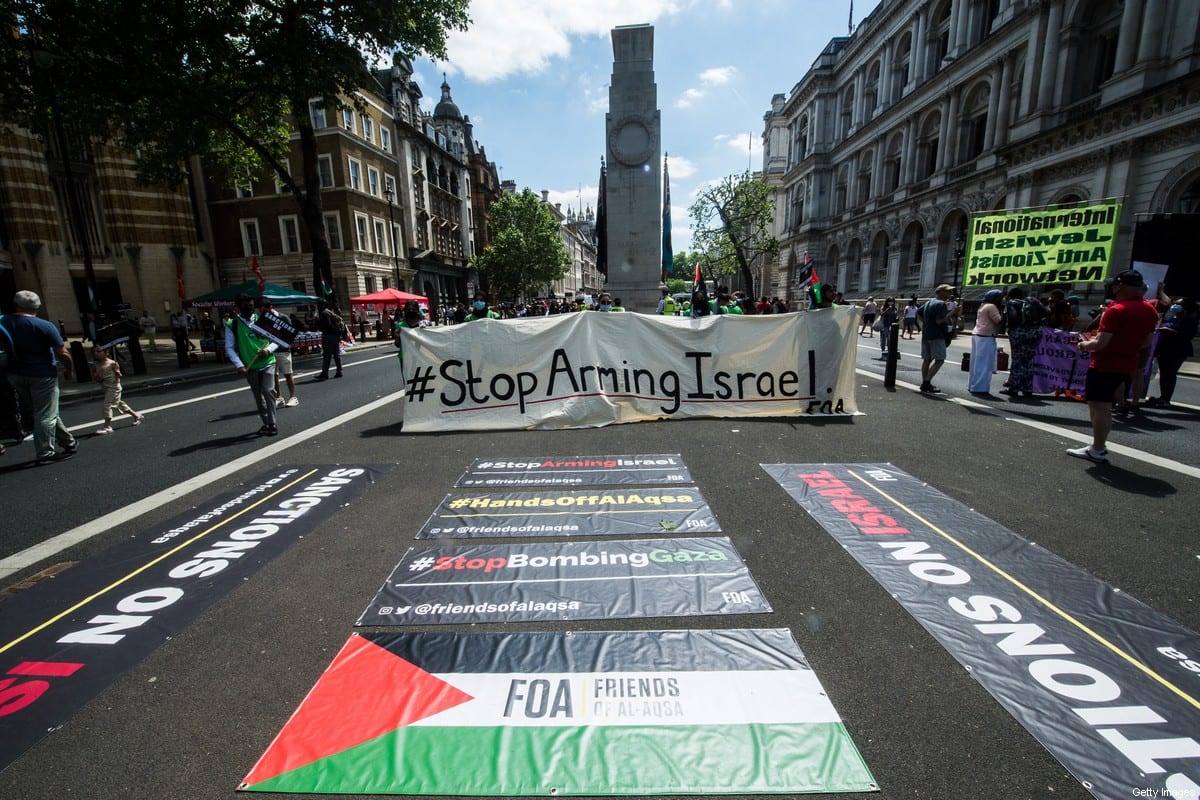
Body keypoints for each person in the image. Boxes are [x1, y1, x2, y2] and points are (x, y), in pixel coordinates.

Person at [1067, 269, 1160, 464]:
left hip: (1104, 363)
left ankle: (1097, 448)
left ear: (1120, 286)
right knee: (1105, 406)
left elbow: (1101, 343)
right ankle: (1098, 445)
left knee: (1099, 406)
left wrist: (1083, 344)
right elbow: (1146, 342)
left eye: (1115, 285)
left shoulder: (1115, 310)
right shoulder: (1150, 310)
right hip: (1127, 362)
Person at [2, 291, 77, 464]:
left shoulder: (3, 322)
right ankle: (45, 453)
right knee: (45, 414)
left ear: (16, 304)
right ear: (37, 306)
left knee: (44, 410)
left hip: (15, 374)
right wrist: (69, 370)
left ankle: (68, 441)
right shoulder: (44, 325)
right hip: (42, 374)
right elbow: (62, 353)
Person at [225, 293, 278, 436]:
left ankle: (272, 423)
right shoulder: (232, 325)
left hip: (268, 362)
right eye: (245, 305)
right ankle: (266, 423)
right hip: (250, 366)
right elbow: (229, 347)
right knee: (258, 397)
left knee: (268, 390)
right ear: (238, 307)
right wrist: (239, 365)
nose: (249, 307)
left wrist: (268, 350)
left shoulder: (264, 320)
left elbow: (276, 339)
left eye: (250, 304)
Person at [1145, 295, 1198, 408]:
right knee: (1164, 373)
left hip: (1177, 350)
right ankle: (1163, 397)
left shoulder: (1189, 319)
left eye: (1179, 304)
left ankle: (1166, 398)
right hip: (1165, 348)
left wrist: (1171, 331)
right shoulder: (1175, 316)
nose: (1175, 305)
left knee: (1170, 373)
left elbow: (1186, 334)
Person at [90, 345, 144, 434]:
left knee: (107, 405)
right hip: (105, 387)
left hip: (114, 387)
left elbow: (119, 374)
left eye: (98, 351)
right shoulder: (96, 364)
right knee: (119, 403)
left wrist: (118, 372)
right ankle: (136, 415)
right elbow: (96, 376)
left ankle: (107, 427)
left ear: (106, 352)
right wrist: (96, 377)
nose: (96, 354)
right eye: (94, 352)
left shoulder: (112, 363)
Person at [1001, 288, 1044, 398]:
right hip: (1035, 332)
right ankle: (1027, 389)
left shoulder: (1012, 303)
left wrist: (1008, 330)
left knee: (1017, 360)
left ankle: (1014, 388)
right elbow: (1045, 312)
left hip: (1019, 332)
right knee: (1029, 361)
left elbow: (1011, 319)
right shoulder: (1033, 301)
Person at [968, 289, 1005, 394]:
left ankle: (972, 385)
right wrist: (1002, 311)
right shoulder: (992, 307)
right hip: (986, 336)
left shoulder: (982, 306)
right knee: (984, 364)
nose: (1001, 300)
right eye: (1000, 298)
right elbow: (998, 320)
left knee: (975, 363)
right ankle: (980, 388)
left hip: (978, 335)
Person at [262, 302, 299, 407]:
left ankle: (293, 397)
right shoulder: (264, 319)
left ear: (270, 307)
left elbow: (290, 334)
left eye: (264, 310)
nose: (263, 313)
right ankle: (279, 397)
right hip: (270, 351)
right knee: (274, 376)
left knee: (288, 374)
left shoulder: (284, 318)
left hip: (283, 350)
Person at [920, 284, 953, 394]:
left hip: (926, 334)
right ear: (941, 292)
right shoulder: (941, 304)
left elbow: (919, 312)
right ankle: (927, 382)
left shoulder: (929, 302)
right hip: (937, 335)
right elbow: (939, 321)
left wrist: (926, 323)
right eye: (948, 291)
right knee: (939, 359)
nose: (951, 293)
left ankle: (925, 381)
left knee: (927, 359)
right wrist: (953, 313)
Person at [315, 299, 345, 380]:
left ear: (322, 305)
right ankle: (339, 371)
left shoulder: (324, 313)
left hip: (329, 336)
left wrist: (318, 324)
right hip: (336, 335)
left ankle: (325, 373)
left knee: (327, 355)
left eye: (318, 304)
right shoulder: (329, 312)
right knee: (336, 355)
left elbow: (327, 325)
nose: (317, 306)